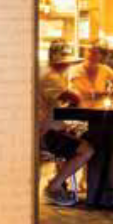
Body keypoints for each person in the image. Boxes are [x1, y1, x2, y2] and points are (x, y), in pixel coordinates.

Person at [39, 42, 94, 207]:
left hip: (50, 127)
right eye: (65, 62)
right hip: (45, 133)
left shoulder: (51, 74)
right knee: (87, 150)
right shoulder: (51, 77)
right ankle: (53, 187)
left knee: (83, 136)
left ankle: (61, 183)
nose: (68, 64)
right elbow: (74, 98)